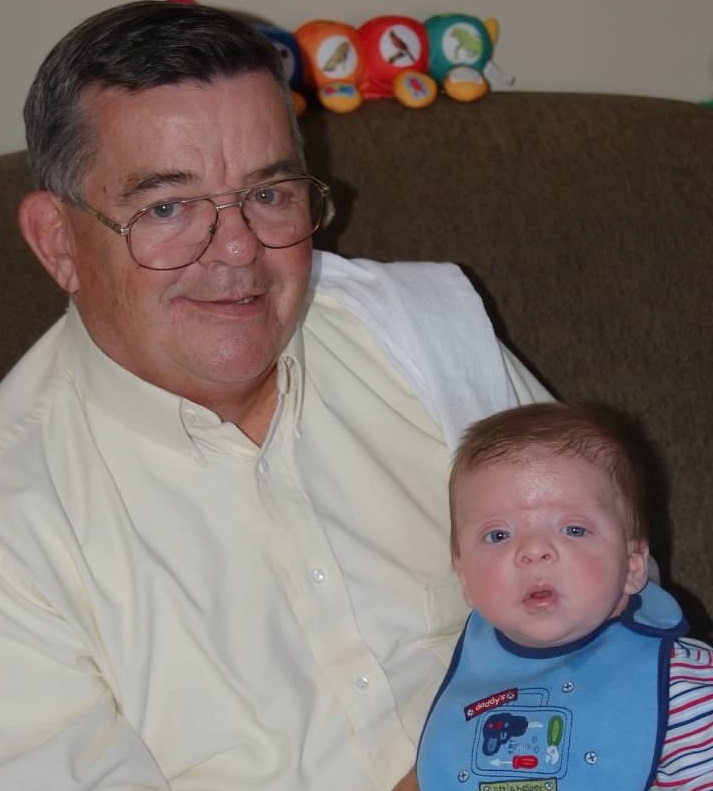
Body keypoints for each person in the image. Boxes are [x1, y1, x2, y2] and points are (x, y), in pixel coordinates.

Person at [0, 2, 554, 789]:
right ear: (58, 241)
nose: (236, 250)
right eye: (166, 207)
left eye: (269, 194)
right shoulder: (16, 520)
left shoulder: (426, 337)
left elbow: (614, 590)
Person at [416, 401, 713, 790]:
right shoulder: (470, 676)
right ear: (465, 578)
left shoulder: (683, 687)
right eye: (498, 535)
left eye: (573, 529)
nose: (534, 550)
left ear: (633, 564)